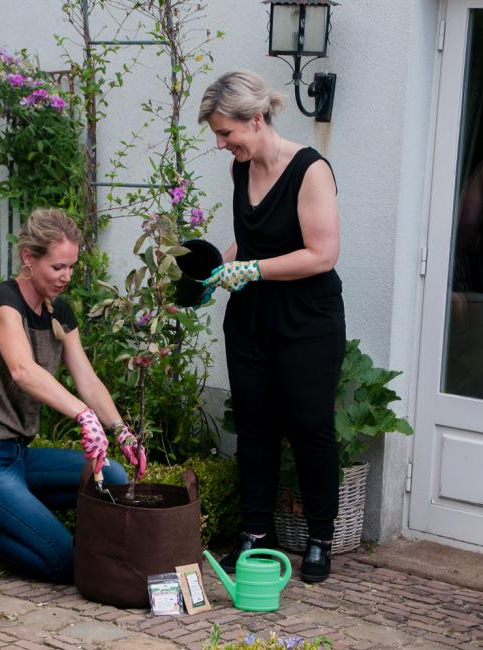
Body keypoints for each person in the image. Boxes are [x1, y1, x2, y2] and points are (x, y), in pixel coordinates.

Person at [0, 207, 146, 583]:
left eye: (71, 267)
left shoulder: (59, 312)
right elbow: (22, 369)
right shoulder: (3, 303)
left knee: (112, 475)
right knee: (66, 562)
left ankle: (1, 517)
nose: (66, 277)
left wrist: (119, 429)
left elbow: (88, 379)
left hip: (18, 458)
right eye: (57, 267)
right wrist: (84, 416)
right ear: (28, 259)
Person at [198, 70, 346, 583]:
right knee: (256, 429)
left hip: (307, 320)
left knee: (309, 428)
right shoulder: (242, 168)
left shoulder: (310, 170)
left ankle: (320, 538)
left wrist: (252, 270)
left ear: (256, 120)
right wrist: (222, 267)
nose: (221, 144)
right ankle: (255, 533)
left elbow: (322, 254)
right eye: (217, 134)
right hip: (252, 320)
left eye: (226, 133)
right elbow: (253, 239)